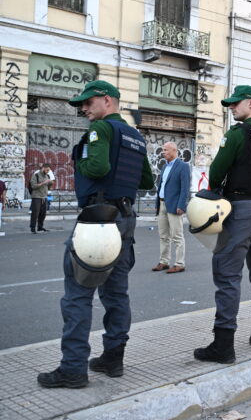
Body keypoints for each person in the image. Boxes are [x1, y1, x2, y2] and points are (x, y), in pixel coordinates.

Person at [37, 80, 153, 389]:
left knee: (78, 294)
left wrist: (82, 160)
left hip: (97, 220)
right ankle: (113, 359)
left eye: (88, 103)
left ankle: (73, 368)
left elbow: (98, 167)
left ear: (107, 100)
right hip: (125, 218)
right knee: (116, 294)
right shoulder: (135, 136)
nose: (84, 109)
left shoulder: (100, 131)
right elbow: (146, 180)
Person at [193, 85, 251, 363]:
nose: (231, 108)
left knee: (227, 275)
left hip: (240, 208)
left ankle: (223, 345)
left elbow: (217, 171)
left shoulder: (238, 134)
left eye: (236, 104)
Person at [152, 142, 191, 274]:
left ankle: (179, 263)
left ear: (174, 150)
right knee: (163, 236)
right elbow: (162, 186)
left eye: (166, 150)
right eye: (163, 150)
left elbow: (185, 188)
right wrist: (158, 205)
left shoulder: (183, 166)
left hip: (174, 205)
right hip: (162, 204)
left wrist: (181, 205)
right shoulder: (164, 167)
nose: (163, 152)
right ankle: (164, 262)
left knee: (177, 236)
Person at [30, 163, 53, 233]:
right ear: (43, 168)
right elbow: (33, 186)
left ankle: (40, 227)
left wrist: (50, 183)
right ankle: (33, 228)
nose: (47, 172)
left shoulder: (48, 176)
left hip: (44, 197)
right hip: (36, 197)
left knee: (43, 213)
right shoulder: (35, 175)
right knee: (35, 213)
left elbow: (48, 187)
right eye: (47, 170)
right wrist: (43, 182)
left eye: (48, 170)